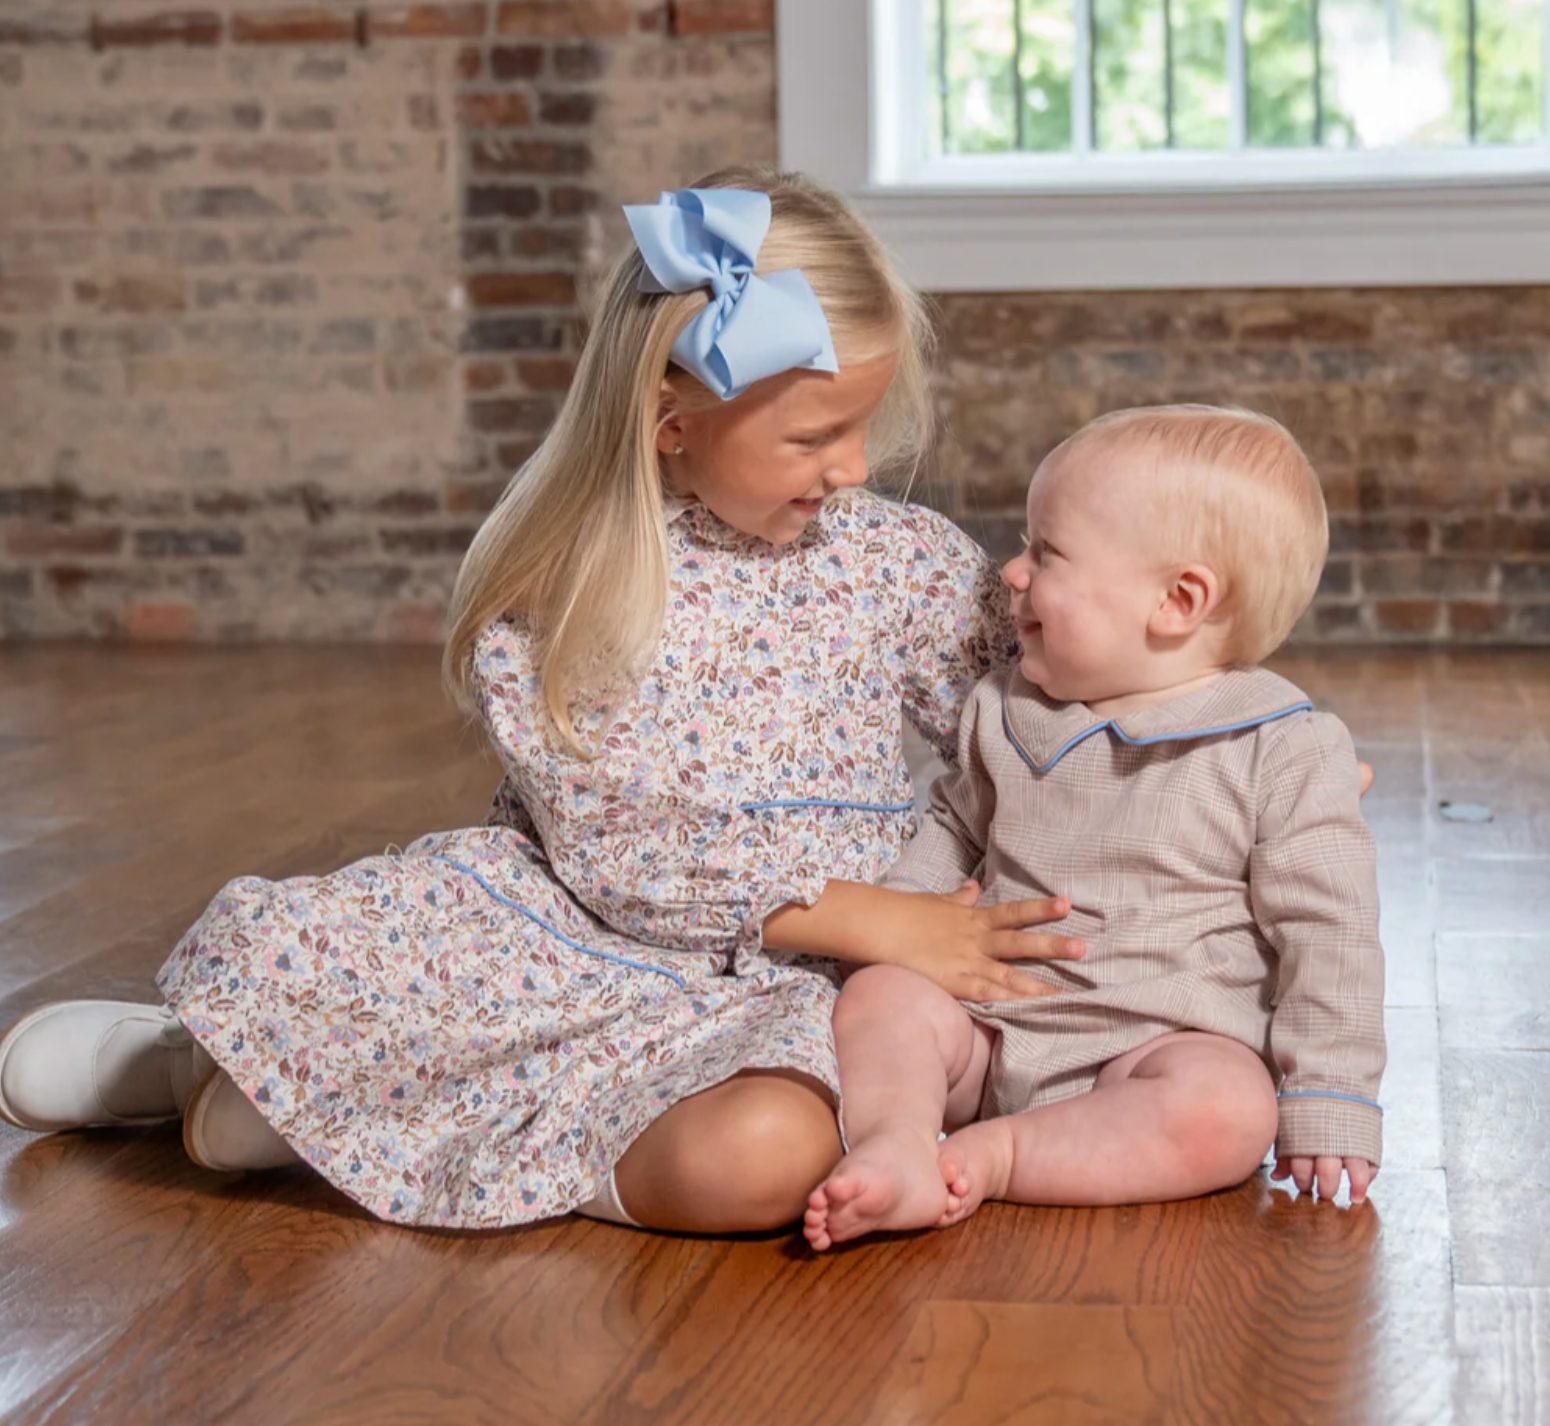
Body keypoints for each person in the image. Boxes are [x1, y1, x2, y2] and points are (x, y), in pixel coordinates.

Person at [0, 169, 1085, 1234]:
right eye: (811, 438)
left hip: (791, 984)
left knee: (765, 1153)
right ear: (670, 420)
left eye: (860, 425)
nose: (851, 467)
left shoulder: (889, 560)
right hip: (579, 929)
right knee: (343, 956)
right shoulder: (572, 589)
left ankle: (408, 1123)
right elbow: (620, 852)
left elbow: (1021, 710)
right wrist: (871, 915)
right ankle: (180, 1054)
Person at [804, 404, 1385, 1253]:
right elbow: (952, 830)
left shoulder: (1283, 746)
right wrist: (895, 921)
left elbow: (1332, 933)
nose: (1011, 571)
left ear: (1177, 600)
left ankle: (997, 1157)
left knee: (1228, 1108)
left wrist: (1330, 1092)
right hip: (990, 1026)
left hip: (1154, 1048)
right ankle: (897, 1140)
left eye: (1048, 553)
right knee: (881, 999)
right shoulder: (1004, 712)